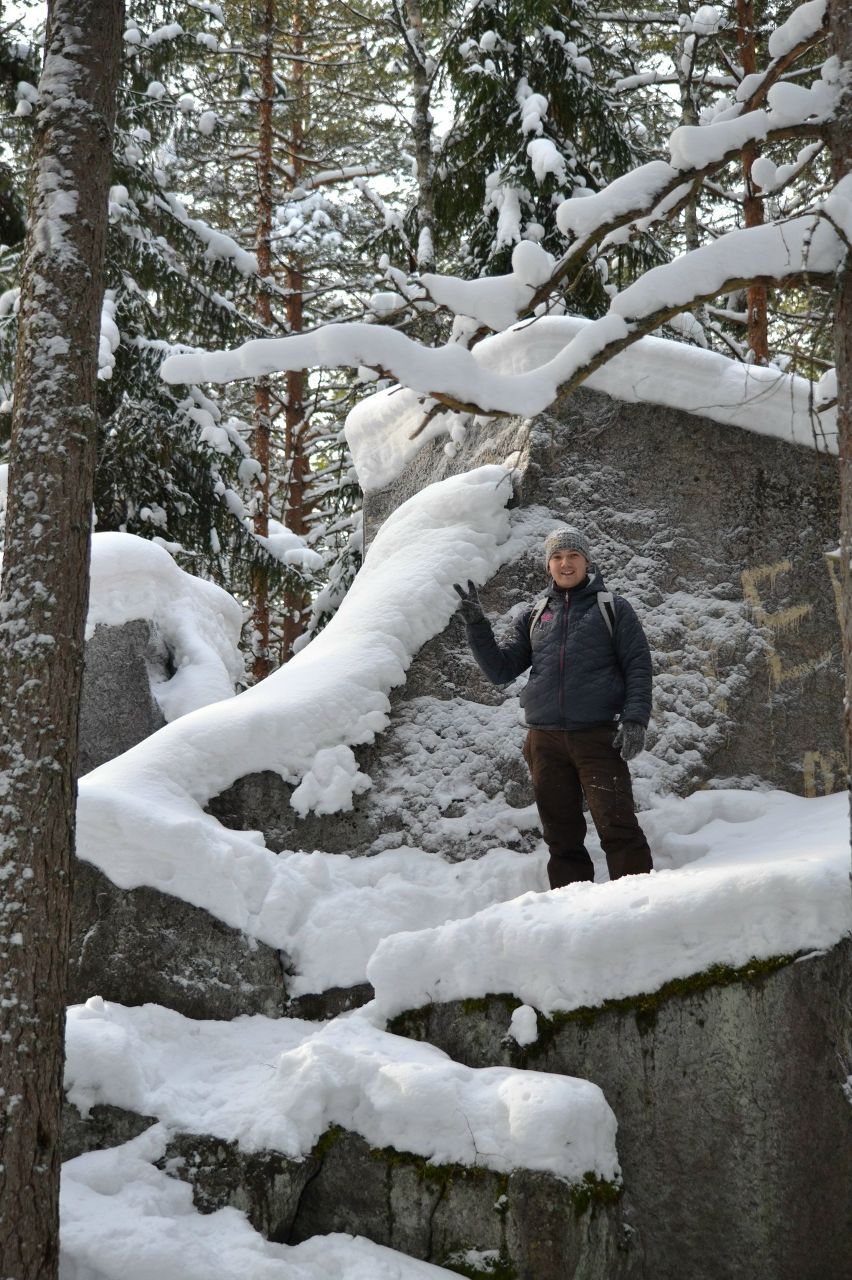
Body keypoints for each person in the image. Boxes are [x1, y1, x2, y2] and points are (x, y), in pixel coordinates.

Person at [454, 526, 653, 889]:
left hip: (598, 738)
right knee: (561, 836)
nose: (565, 563)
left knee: (618, 825)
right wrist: (477, 626)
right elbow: (501, 670)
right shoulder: (535, 613)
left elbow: (638, 667)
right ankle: (570, 908)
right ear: (549, 566)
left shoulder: (613, 609)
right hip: (545, 740)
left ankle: (638, 902)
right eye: (558, 557)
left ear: (586, 561)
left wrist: (635, 719)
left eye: (573, 555)